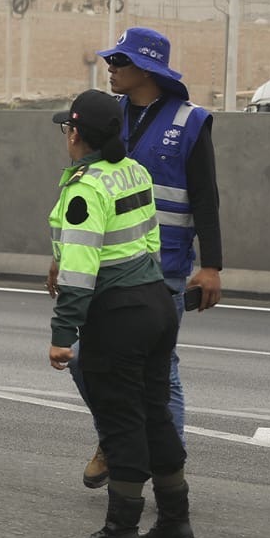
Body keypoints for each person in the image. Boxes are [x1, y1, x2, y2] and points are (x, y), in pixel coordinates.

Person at [51, 27, 222, 489]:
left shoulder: (190, 121)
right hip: (106, 266)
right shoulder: (109, 116)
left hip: (163, 269)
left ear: (145, 68)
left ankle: (168, 471)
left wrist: (212, 265)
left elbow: (206, 199)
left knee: (160, 374)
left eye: (119, 62)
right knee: (89, 362)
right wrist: (63, 256)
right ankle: (115, 439)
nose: (110, 68)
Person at [47, 89, 192, 538]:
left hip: (118, 314)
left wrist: (62, 337)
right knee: (154, 413)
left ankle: (121, 530)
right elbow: (150, 239)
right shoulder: (135, 171)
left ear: (74, 134)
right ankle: (175, 522)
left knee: (121, 419)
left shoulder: (86, 189)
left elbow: (79, 272)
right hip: (155, 302)